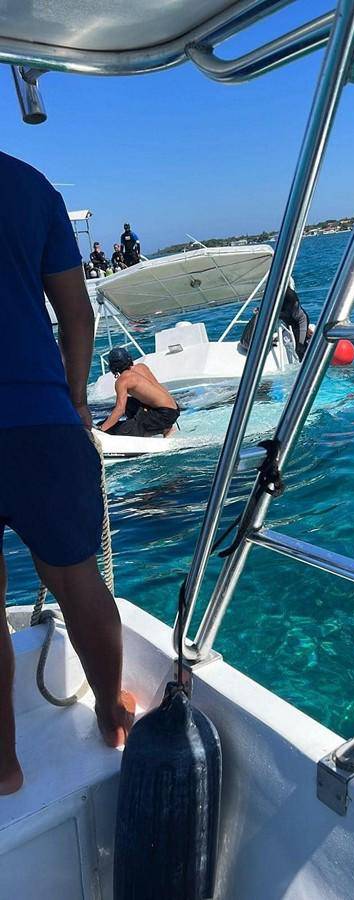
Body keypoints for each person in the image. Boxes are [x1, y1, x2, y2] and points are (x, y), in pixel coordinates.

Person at [0, 151, 134, 795]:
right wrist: (76, 398)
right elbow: (76, 314)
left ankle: (4, 765)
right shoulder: (29, 186)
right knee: (78, 579)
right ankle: (111, 715)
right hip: (42, 422)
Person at [99, 349, 180, 437]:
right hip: (174, 408)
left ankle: (164, 428)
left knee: (118, 431)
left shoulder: (122, 381)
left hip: (163, 415)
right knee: (129, 403)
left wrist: (102, 430)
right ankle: (143, 425)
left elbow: (119, 410)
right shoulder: (141, 367)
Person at [280, 279, 310, 361]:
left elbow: (287, 314)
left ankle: (308, 365)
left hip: (300, 322)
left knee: (300, 348)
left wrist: (272, 314)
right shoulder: (275, 294)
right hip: (290, 323)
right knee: (300, 347)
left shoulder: (290, 295)